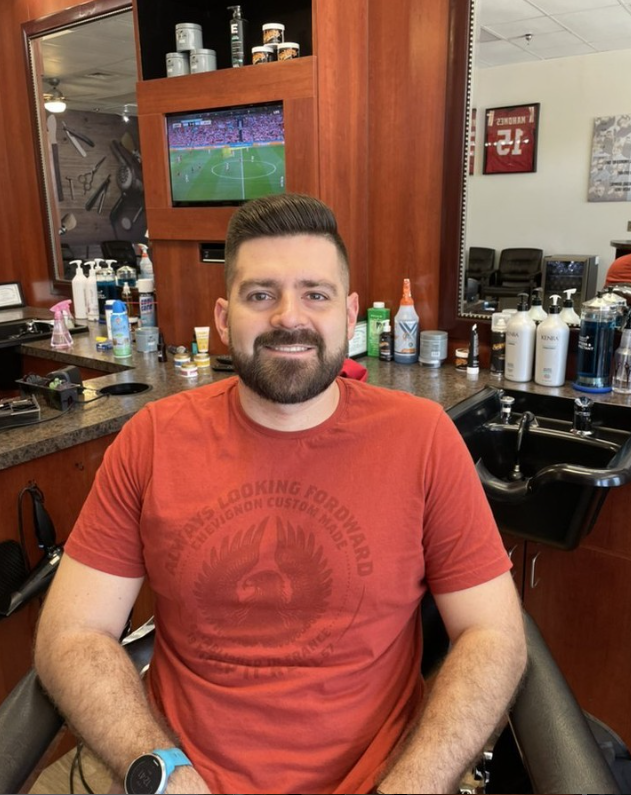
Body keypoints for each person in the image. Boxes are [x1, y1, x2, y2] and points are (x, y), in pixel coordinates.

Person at [35, 193, 526, 795]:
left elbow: (493, 635)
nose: (289, 318)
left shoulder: (422, 439)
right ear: (222, 318)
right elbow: (72, 633)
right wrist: (163, 774)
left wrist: (412, 786)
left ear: (349, 316)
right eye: (260, 294)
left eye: (314, 295)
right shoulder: (153, 441)